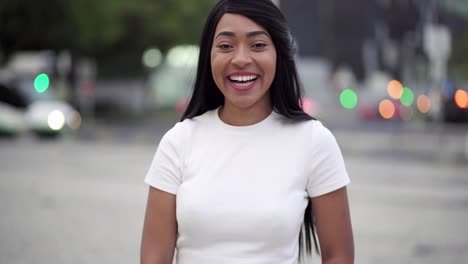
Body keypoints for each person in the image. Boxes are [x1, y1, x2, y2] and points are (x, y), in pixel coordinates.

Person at [141, 0, 354, 263]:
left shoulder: (314, 141)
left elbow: (339, 256)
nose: (241, 59)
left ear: (279, 54)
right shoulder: (178, 142)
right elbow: (153, 258)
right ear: (209, 55)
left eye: (258, 45)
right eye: (226, 46)